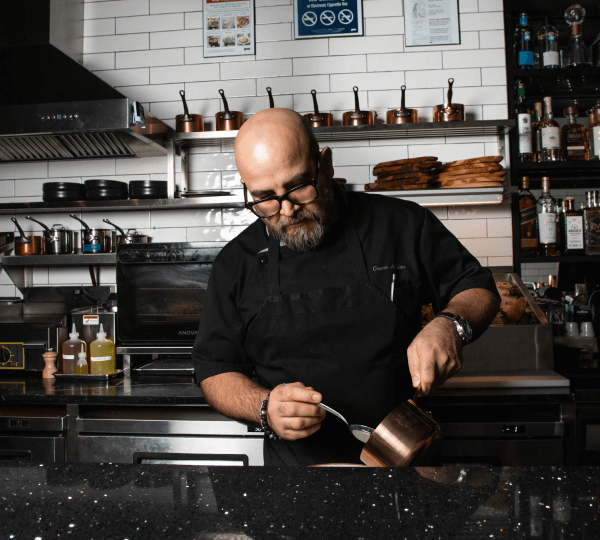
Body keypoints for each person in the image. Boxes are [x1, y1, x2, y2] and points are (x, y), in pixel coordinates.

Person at [192, 108, 500, 466]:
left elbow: (477, 287)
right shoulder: (236, 262)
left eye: (298, 186)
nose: (287, 210)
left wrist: (451, 324)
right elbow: (214, 370)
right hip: (295, 482)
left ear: (326, 164)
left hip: (407, 460)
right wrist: (264, 408)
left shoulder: (402, 224)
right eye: (265, 198)